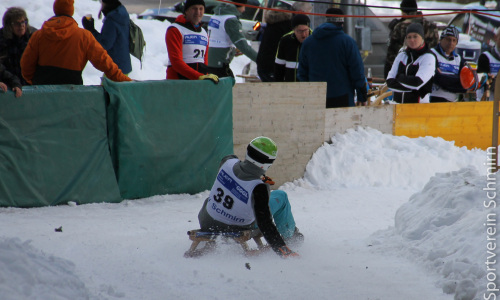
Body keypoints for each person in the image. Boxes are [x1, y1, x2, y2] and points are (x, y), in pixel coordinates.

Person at [197, 136, 303, 258]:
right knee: (281, 196)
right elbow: (264, 223)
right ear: (268, 163)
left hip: (207, 220)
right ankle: (290, 236)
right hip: (236, 228)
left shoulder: (227, 161)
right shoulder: (259, 187)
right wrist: (282, 249)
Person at [20, 0, 132, 85]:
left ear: (55, 9)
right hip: (73, 94)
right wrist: (127, 81)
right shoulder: (83, 36)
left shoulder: (39, 36)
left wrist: (36, 82)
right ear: (71, 10)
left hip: (43, 91)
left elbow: (26, 66)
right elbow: (105, 63)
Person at [297, 8, 367, 108]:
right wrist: (362, 96)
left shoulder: (308, 42)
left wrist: (308, 95)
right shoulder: (347, 42)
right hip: (342, 97)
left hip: (316, 99)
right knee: (342, 123)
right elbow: (357, 72)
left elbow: (302, 73)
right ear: (342, 23)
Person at [256, 1, 313, 82]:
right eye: (307, 14)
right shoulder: (290, 27)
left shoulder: (278, 21)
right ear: (300, 12)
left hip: (264, 65)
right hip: (273, 67)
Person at [165, 0, 218, 83]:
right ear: (186, 11)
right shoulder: (175, 29)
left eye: (201, 9)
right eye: (194, 8)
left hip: (198, 82)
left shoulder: (203, 32)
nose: (198, 12)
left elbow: (204, 60)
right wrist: (199, 77)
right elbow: (176, 62)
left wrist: (206, 76)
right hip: (178, 82)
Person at [384, 0, 439, 79]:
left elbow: (391, 55)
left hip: (406, 73)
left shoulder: (401, 27)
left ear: (404, 12)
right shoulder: (431, 27)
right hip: (428, 70)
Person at [386, 23, 436, 103]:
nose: (412, 40)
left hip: (418, 108)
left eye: (415, 36)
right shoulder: (402, 55)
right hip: (398, 107)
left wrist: (399, 77)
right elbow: (389, 81)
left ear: (422, 38)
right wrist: (413, 88)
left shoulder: (428, 57)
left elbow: (417, 82)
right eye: (409, 37)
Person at [207, 0, 257, 78]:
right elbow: (243, 45)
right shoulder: (230, 20)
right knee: (227, 84)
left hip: (210, 59)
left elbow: (220, 37)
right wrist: (260, 61)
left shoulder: (217, 14)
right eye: (244, 6)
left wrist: (233, 50)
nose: (244, 10)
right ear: (239, 5)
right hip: (220, 62)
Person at [81, 0, 132, 74]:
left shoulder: (112, 20)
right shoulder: (120, 14)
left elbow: (105, 44)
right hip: (122, 64)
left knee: (106, 86)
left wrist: (91, 29)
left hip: (115, 68)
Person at [0, 7, 37, 86]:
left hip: (31, 84)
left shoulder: (34, 36)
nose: (21, 26)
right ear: (9, 26)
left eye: (23, 22)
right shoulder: (2, 39)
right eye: (17, 23)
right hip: (9, 85)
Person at [429, 26, 467, 102]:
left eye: (454, 40)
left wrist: (444, 78)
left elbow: (465, 85)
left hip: (452, 102)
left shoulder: (458, 59)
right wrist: (457, 80)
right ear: (441, 39)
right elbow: (437, 78)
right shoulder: (431, 54)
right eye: (448, 39)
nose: (451, 43)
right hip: (433, 99)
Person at [274, 14, 311, 82]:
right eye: (299, 31)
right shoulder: (285, 41)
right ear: (293, 30)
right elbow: (279, 68)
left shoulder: (315, 40)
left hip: (310, 88)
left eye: (305, 30)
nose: (303, 35)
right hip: (290, 86)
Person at [476, 27, 500, 101]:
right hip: (487, 104)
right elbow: (487, 84)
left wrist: (494, 80)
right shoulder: (485, 57)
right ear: (496, 37)